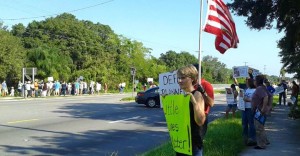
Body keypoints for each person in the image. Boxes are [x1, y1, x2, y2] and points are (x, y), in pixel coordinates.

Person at [177, 64, 206, 156]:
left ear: (192, 78)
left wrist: (194, 103)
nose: (179, 81)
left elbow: (200, 121)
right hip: (181, 142)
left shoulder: (197, 94)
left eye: (183, 78)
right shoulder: (181, 96)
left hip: (193, 143)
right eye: (178, 78)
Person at [193, 64, 214, 138]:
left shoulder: (206, 84)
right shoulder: (189, 85)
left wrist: (203, 92)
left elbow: (211, 103)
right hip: (189, 115)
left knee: (198, 140)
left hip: (201, 116)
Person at [251, 75, 271, 149]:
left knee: (259, 128)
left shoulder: (259, 88)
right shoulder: (263, 87)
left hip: (259, 111)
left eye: (255, 80)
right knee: (261, 127)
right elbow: (270, 95)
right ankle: (265, 141)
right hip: (259, 110)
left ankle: (261, 145)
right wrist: (269, 106)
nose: (254, 81)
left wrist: (263, 108)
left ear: (257, 81)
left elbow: (266, 97)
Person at [242, 78, 256, 146]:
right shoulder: (247, 89)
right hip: (244, 109)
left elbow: (255, 100)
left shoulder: (255, 90)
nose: (246, 83)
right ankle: (245, 138)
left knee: (251, 124)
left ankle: (252, 139)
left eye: (247, 82)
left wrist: (246, 99)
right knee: (244, 124)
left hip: (250, 109)